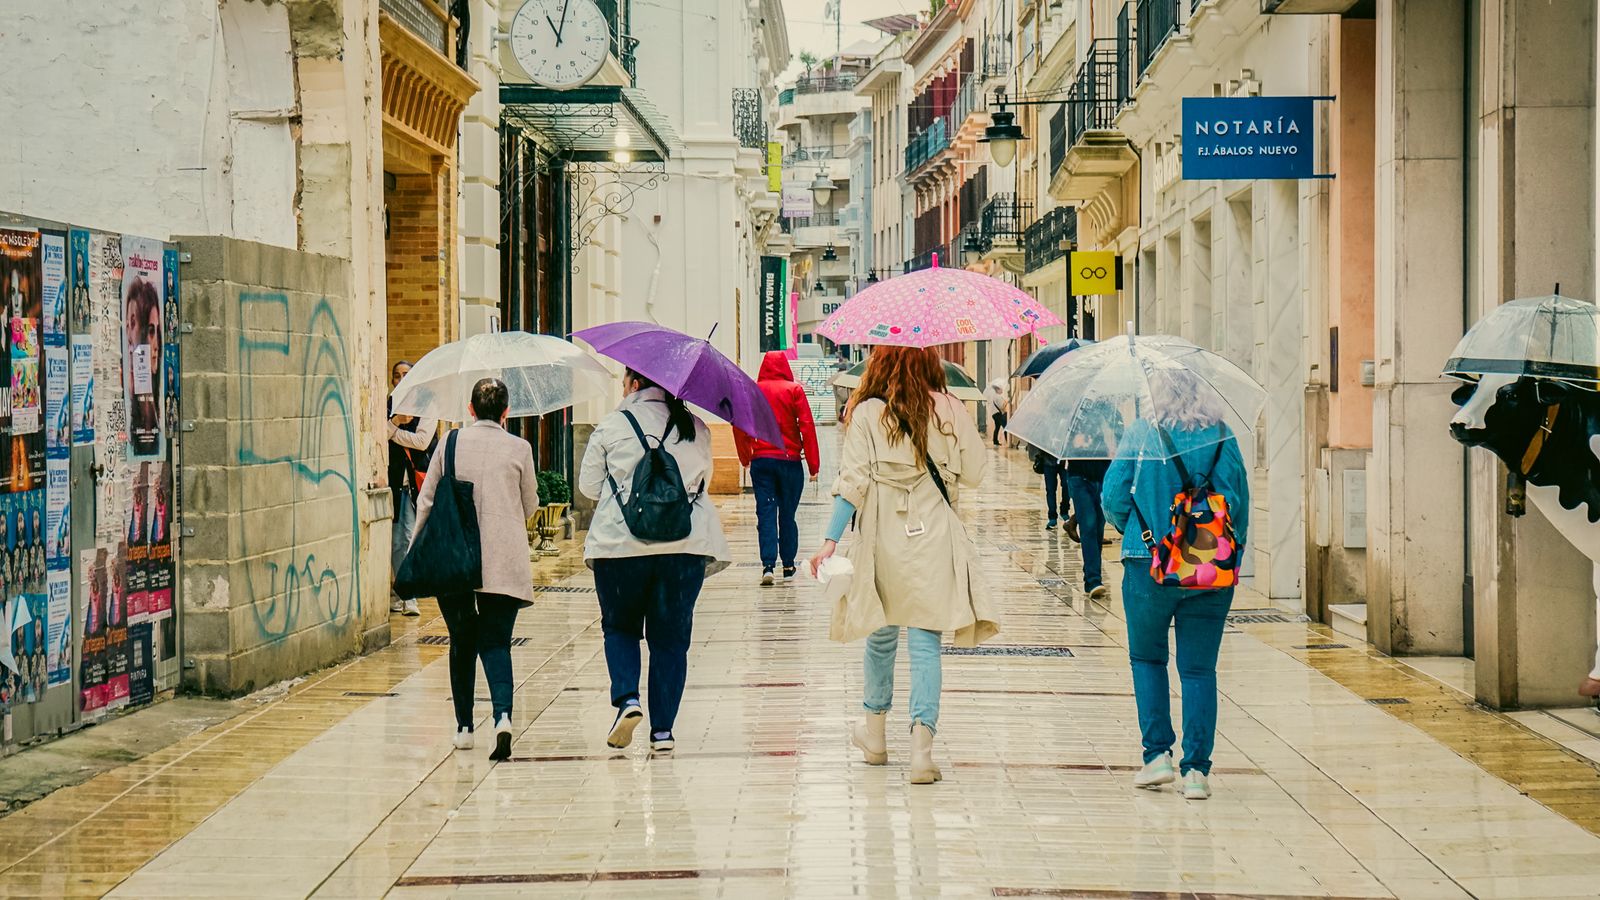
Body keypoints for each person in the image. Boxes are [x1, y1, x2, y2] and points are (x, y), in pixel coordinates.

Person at [808, 346, 997, 785]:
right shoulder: (950, 408)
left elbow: (851, 482)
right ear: (931, 365)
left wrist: (830, 541)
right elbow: (975, 473)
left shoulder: (868, 412)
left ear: (880, 366)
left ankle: (875, 737)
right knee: (926, 642)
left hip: (883, 538)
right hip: (934, 538)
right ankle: (921, 752)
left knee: (880, 633)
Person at [1102, 369, 1250, 802]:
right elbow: (1238, 504)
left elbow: (1113, 497)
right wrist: (1222, 552)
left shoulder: (1142, 434)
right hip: (1210, 568)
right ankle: (1197, 772)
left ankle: (1157, 757)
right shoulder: (1222, 438)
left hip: (1147, 563)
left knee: (1147, 658)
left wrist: (1142, 533)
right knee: (1199, 669)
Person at [579, 369, 730, 754]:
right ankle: (663, 731)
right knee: (671, 640)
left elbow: (588, 487)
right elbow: (704, 482)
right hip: (684, 548)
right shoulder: (695, 426)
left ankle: (628, 700)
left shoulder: (613, 425)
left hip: (619, 547)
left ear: (632, 384)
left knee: (620, 628)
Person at [414, 377, 539, 761]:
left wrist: (417, 551)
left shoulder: (450, 443)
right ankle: (502, 717)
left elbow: (427, 500)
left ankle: (465, 727)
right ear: (506, 412)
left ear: (470, 410)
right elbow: (531, 505)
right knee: (497, 642)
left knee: (461, 640)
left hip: (455, 560)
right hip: (503, 560)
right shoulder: (520, 448)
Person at [734, 351, 821, 585]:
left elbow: (740, 424)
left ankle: (768, 565)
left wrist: (745, 457)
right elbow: (806, 426)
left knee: (766, 512)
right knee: (788, 514)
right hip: (790, 462)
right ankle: (789, 564)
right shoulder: (794, 390)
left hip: (762, 461)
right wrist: (814, 464)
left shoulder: (753, 390)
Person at [388, 360, 438, 617]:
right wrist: (393, 422)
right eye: (396, 375)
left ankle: (410, 595)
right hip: (392, 482)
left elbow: (421, 441)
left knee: (407, 539)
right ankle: (399, 593)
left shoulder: (427, 404)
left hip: (415, 484)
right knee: (395, 542)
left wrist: (391, 430)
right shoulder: (389, 406)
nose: (401, 379)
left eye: (406, 374)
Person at [1064, 457, 1109, 599]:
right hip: (1079, 477)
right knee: (1088, 526)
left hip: (1104, 475)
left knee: (1098, 528)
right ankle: (1094, 580)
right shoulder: (1072, 433)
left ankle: (1090, 574)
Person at [1030, 444, 1070, 529]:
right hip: (1048, 462)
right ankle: (1052, 517)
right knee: (1050, 490)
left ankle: (1064, 511)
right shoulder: (1047, 432)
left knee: (1067, 486)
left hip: (1063, 462)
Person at [983, 379, 1008, 446]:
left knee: (997, 427)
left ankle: (995, 441)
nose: (1002, 390)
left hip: (994, 414)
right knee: (1005, 427)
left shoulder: (994, 396)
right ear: (997, 390)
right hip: (998, 414)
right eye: (1001, 389)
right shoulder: (998, 397)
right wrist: (1006, 403)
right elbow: (1001, 407)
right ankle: (1007, 440)